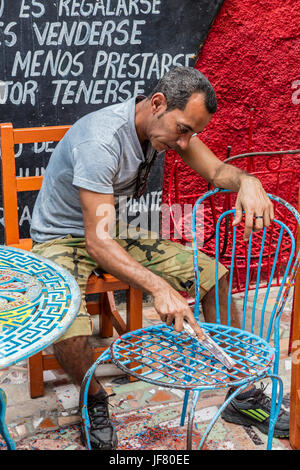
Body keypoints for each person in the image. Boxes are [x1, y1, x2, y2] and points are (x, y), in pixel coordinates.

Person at [30, 67, 288, 450]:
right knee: (66, 318)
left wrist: (250, 182)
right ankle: (93, 400)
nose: (185, 144)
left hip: (108, 229)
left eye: (191, 133)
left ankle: (241, 394)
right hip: (60, 237)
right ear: (157, 104)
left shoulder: (164, 128)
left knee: (212, 275)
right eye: (182, 130)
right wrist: (158, 287)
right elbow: (97, 244)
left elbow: (217, 170)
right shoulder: (102, 141)